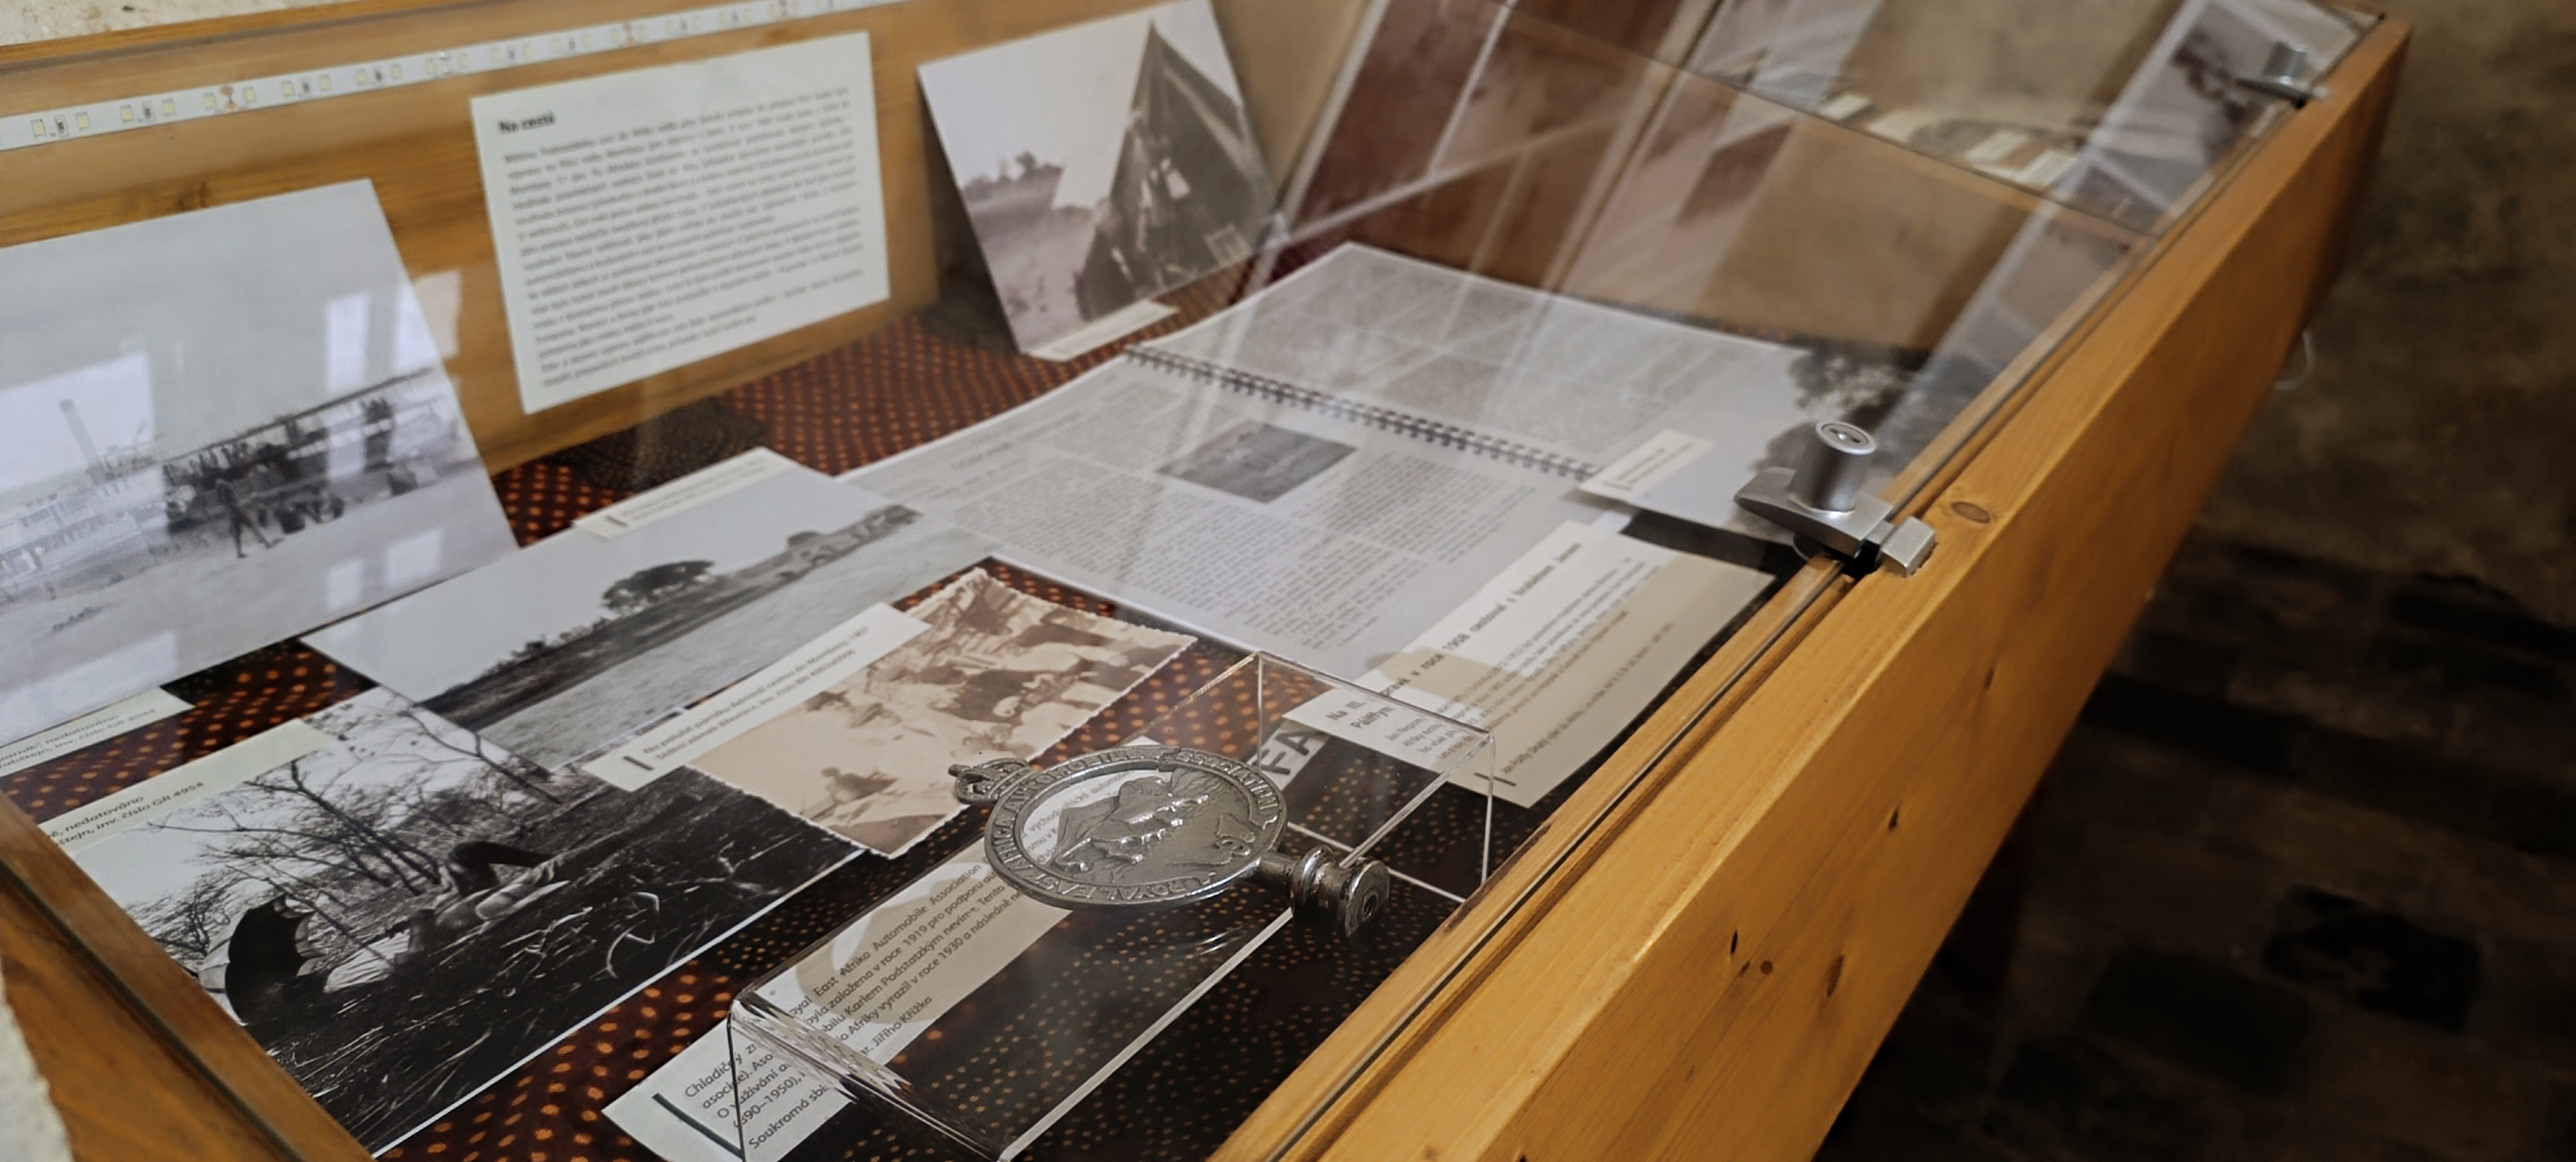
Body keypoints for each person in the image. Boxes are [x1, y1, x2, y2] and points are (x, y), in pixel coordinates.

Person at [215, 474, 273, 558]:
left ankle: (240, 552)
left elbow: (223, 501)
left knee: (238, 532)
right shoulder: (224, 486)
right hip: (236, 511)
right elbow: (228, 499)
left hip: (232, 512)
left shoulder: (220, 488)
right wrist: (234, 506)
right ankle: (265, 542)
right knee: (251, 525)